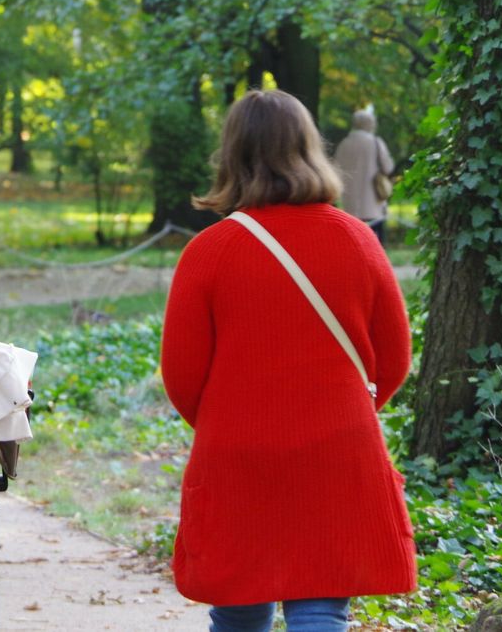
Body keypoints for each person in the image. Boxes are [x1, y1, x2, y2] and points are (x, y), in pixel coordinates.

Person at [160, 90, 416, 632]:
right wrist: (344, 411)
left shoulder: (207, 252)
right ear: (308, 148)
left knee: (238, 605)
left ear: (233, 155)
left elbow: (182, 379)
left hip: (237, 452)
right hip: (338, 446)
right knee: (321, 606)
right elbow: (395, 360)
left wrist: (231, 422)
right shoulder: (358, 240)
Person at [332, 107, 395, 243]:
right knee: (376, 238)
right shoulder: (376, 142)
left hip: (350, 202)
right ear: (370, 124)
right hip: (373, 200)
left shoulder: (344, 144)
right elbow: (388, 168)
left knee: (353, 237)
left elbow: (336, 171)